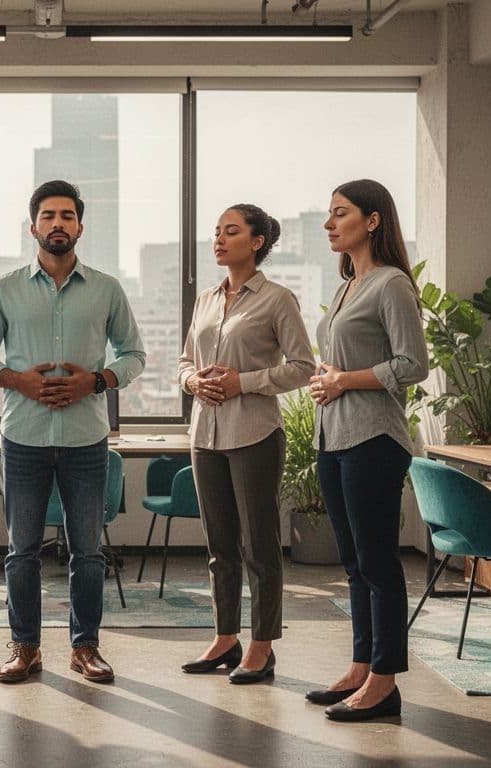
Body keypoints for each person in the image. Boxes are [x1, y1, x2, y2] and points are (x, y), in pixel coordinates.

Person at [0, 179, 146, 684]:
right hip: (23, 438)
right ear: (33, 227)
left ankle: (85, 648)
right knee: (21, 550)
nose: (58, 223)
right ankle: (25, 647)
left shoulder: (107, 289)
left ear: (80, 227)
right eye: (48, 215)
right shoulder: (6, 289)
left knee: (87, 552)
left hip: (86, 439)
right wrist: (17, 380)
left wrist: (97, 380)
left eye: (67, 215)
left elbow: (134, 354)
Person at [177, 204, 315, 684]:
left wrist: (244, 381)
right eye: (216, 231)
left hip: (255, 434)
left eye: (231, 231)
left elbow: (303, 367)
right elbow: (184, 360)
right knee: (219, 547)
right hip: (205, 435)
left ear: (257, 243)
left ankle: (262, 646)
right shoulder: (206, 299)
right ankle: (225, 638)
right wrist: (192, 381)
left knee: (259, 547)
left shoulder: (278, 299)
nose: (218, 239)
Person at [307, 179, 428, 722]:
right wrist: (327, 379)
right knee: (355, 566)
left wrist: (344, 380)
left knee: (379, 564)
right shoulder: (347, 287)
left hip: (374, 440)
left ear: (372, 220)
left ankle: (385, 681)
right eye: (329, 214)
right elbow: (343, 363)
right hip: (333, 438)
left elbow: (413, 364)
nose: (329, 223)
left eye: (341, 213)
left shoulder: (391, 284)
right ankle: (361, 667)